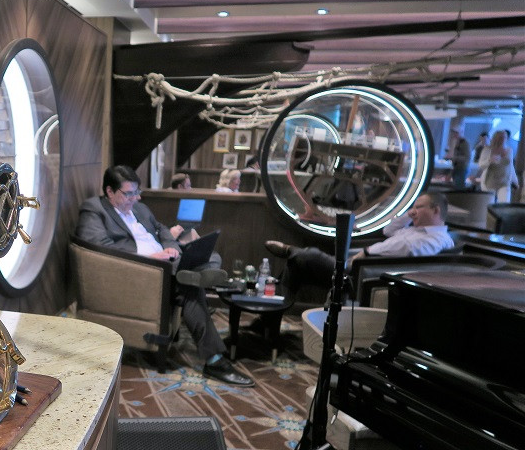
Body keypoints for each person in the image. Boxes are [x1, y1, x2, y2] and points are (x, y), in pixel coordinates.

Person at [77, 165, 254, 387]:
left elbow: (162, 230)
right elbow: (99, 248)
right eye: (129, 193)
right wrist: (152, 256)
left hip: (166, 261)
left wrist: (173, 249)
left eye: (137, 192)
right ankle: (214, 358)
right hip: (143, 271)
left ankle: (196, 273)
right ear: (110, 192)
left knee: (209, 253)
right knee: (190, 288)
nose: (136, 198)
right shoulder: (94, 210)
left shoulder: (139, 208)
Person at [264, 192, 454, 295]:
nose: (414, 211)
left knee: (310, 255)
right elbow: (388, 231)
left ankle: (291, 250)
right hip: (359, 265)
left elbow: (409, 248)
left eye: (418, 207)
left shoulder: (439, 239)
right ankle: (270, 318)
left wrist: (368, 252)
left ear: (436, 210)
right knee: (296, 264)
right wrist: (408, 215)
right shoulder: (415, 230)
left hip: (366, 276)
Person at [476, 130, 518, 203]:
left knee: (504, 203)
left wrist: (515, 181)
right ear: (496, 138)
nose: (503, 139)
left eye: (505, 137)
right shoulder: (487, 149)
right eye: (501, 138)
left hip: (504, 181)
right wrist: (489, 160)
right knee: (489, 203)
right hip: (490, 180)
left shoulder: (509, 150)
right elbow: (481, 165)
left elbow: (511, 167)